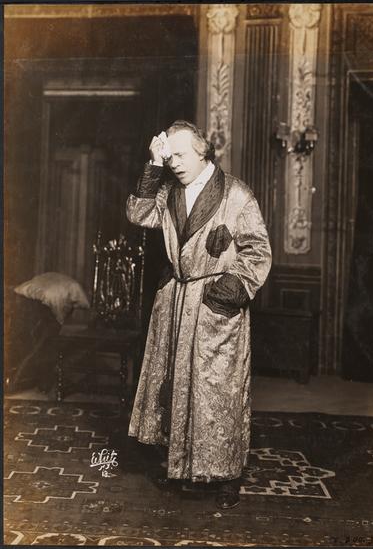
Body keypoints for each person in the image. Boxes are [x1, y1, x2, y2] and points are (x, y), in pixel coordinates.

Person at [127, 120, 271, 509]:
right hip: (175, 302)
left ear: (202, 152)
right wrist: (153, 164)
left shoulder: (236, 194)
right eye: (169, 156)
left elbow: (258, 251)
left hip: (214, 305)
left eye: (180, 155)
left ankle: (227, 477)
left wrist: (225, 295)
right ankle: (181, 467)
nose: (174, 162)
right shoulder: (168, 192)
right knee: (178, 385)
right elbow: (138, 214)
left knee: (219, 390)